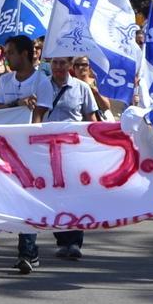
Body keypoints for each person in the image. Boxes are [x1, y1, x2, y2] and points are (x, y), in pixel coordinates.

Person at [0, 33, 53, 272]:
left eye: (10, 53)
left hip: (30, 150)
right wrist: (15, 105)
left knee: (28, 198)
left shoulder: (41, 82)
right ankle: (30, 249)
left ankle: (26, 251)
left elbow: (39, 116)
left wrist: (30, 109)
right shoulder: (5, 81)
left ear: (25, 54)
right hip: (5, 149)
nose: (6, 57)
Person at [44, 55, 98, 261]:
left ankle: (74, 241)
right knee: (56, 195)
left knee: (74, 195)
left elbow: (90, 119)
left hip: (74, 150)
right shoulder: (42, 86)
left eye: (62, 63)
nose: (58, 67)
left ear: (70, 65)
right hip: (48, 150)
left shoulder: (81, 88)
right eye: (55, 63)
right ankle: (62, 239)